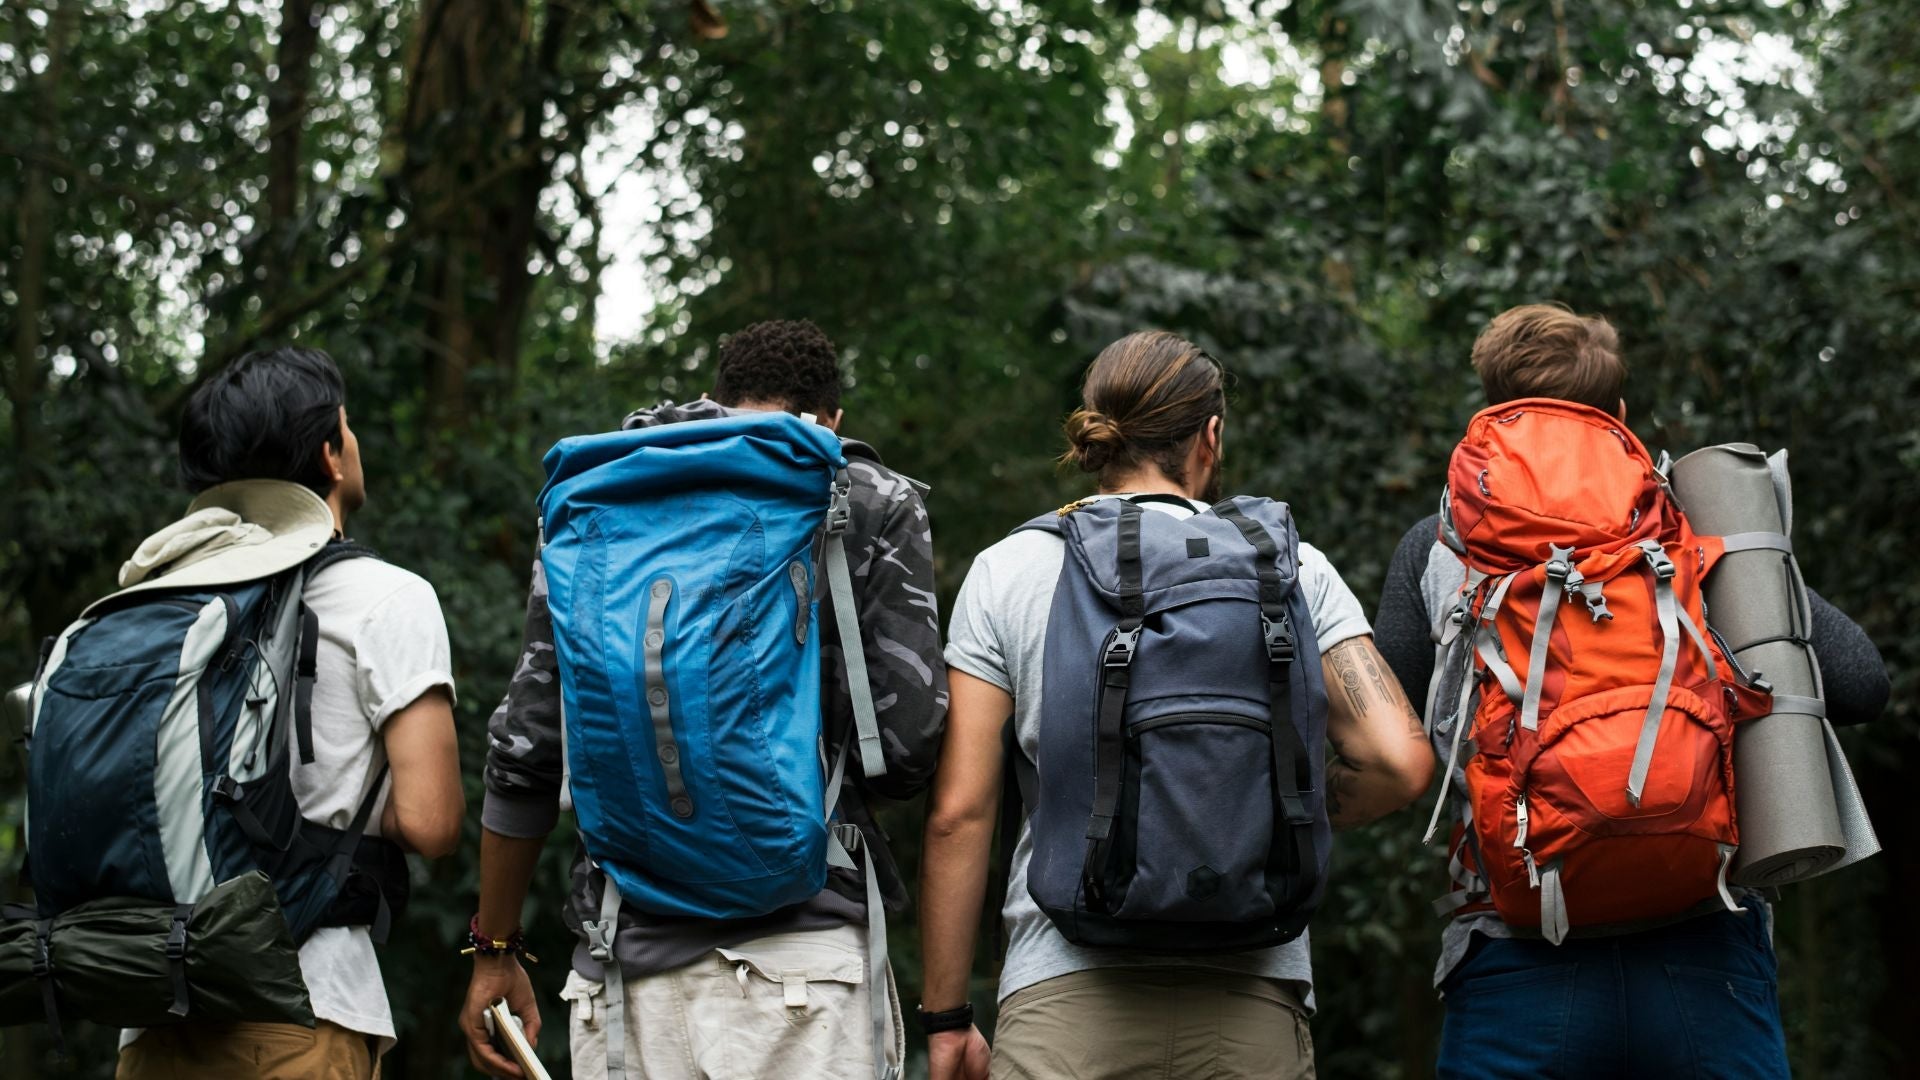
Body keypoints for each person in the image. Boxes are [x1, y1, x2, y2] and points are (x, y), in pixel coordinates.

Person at [1372, 304, 1891, 1079]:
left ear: (1494, 415)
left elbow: (1385, 741)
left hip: (1517, 955)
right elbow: (1861, 683)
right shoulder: (1690, 531)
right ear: (1618, 415)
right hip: (1704, 950)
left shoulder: (1439, 547)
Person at [919, 330, 1434, 1080]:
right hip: (1251, 996)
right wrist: (1264, 809)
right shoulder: (1291, 568)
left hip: (1064, 996)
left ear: (1098, 436)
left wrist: (946, 1019)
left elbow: (959, 814)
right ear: (1210, 436)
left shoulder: (1012, 569)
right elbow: (1401, 761)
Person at [463, 319, 948, 1078]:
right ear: (833, 420)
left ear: (716, 401)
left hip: (623, 968)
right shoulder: (866, 497)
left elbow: (525, 747)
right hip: (805, 966)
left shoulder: (603, 496)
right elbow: (907, 747)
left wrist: (494, 950)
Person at [116, 347, 465, 1078]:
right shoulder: (389, 597)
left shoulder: (155, 604)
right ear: (331, 456)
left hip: (152, 1007)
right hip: (303, 1007)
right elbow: (433, 823)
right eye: (348, 426)